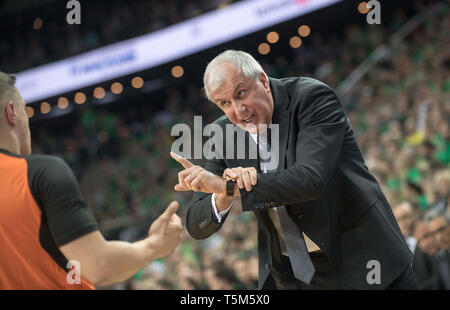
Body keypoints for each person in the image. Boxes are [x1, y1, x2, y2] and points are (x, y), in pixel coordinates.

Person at [171, 50, 417, 289]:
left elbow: (310, 180)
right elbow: (197, 224)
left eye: (241, 93)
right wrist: (222, 194)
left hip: (360, 253)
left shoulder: (311, 98)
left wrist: (231, 186)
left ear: (263, 81)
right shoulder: (223, 135)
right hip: (294, 275)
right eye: (225, 103)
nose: (238, 110)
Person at [0, 72, 183, 289]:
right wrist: (155, 246)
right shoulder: (39, 172)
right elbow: (99, 265)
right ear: (12, 111)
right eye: (24, 110)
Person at [393, 202, 441, 289]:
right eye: (398, 219)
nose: (403, 223)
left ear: (414, 215)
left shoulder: (428, 233)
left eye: (405, 217)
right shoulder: (397, 249)